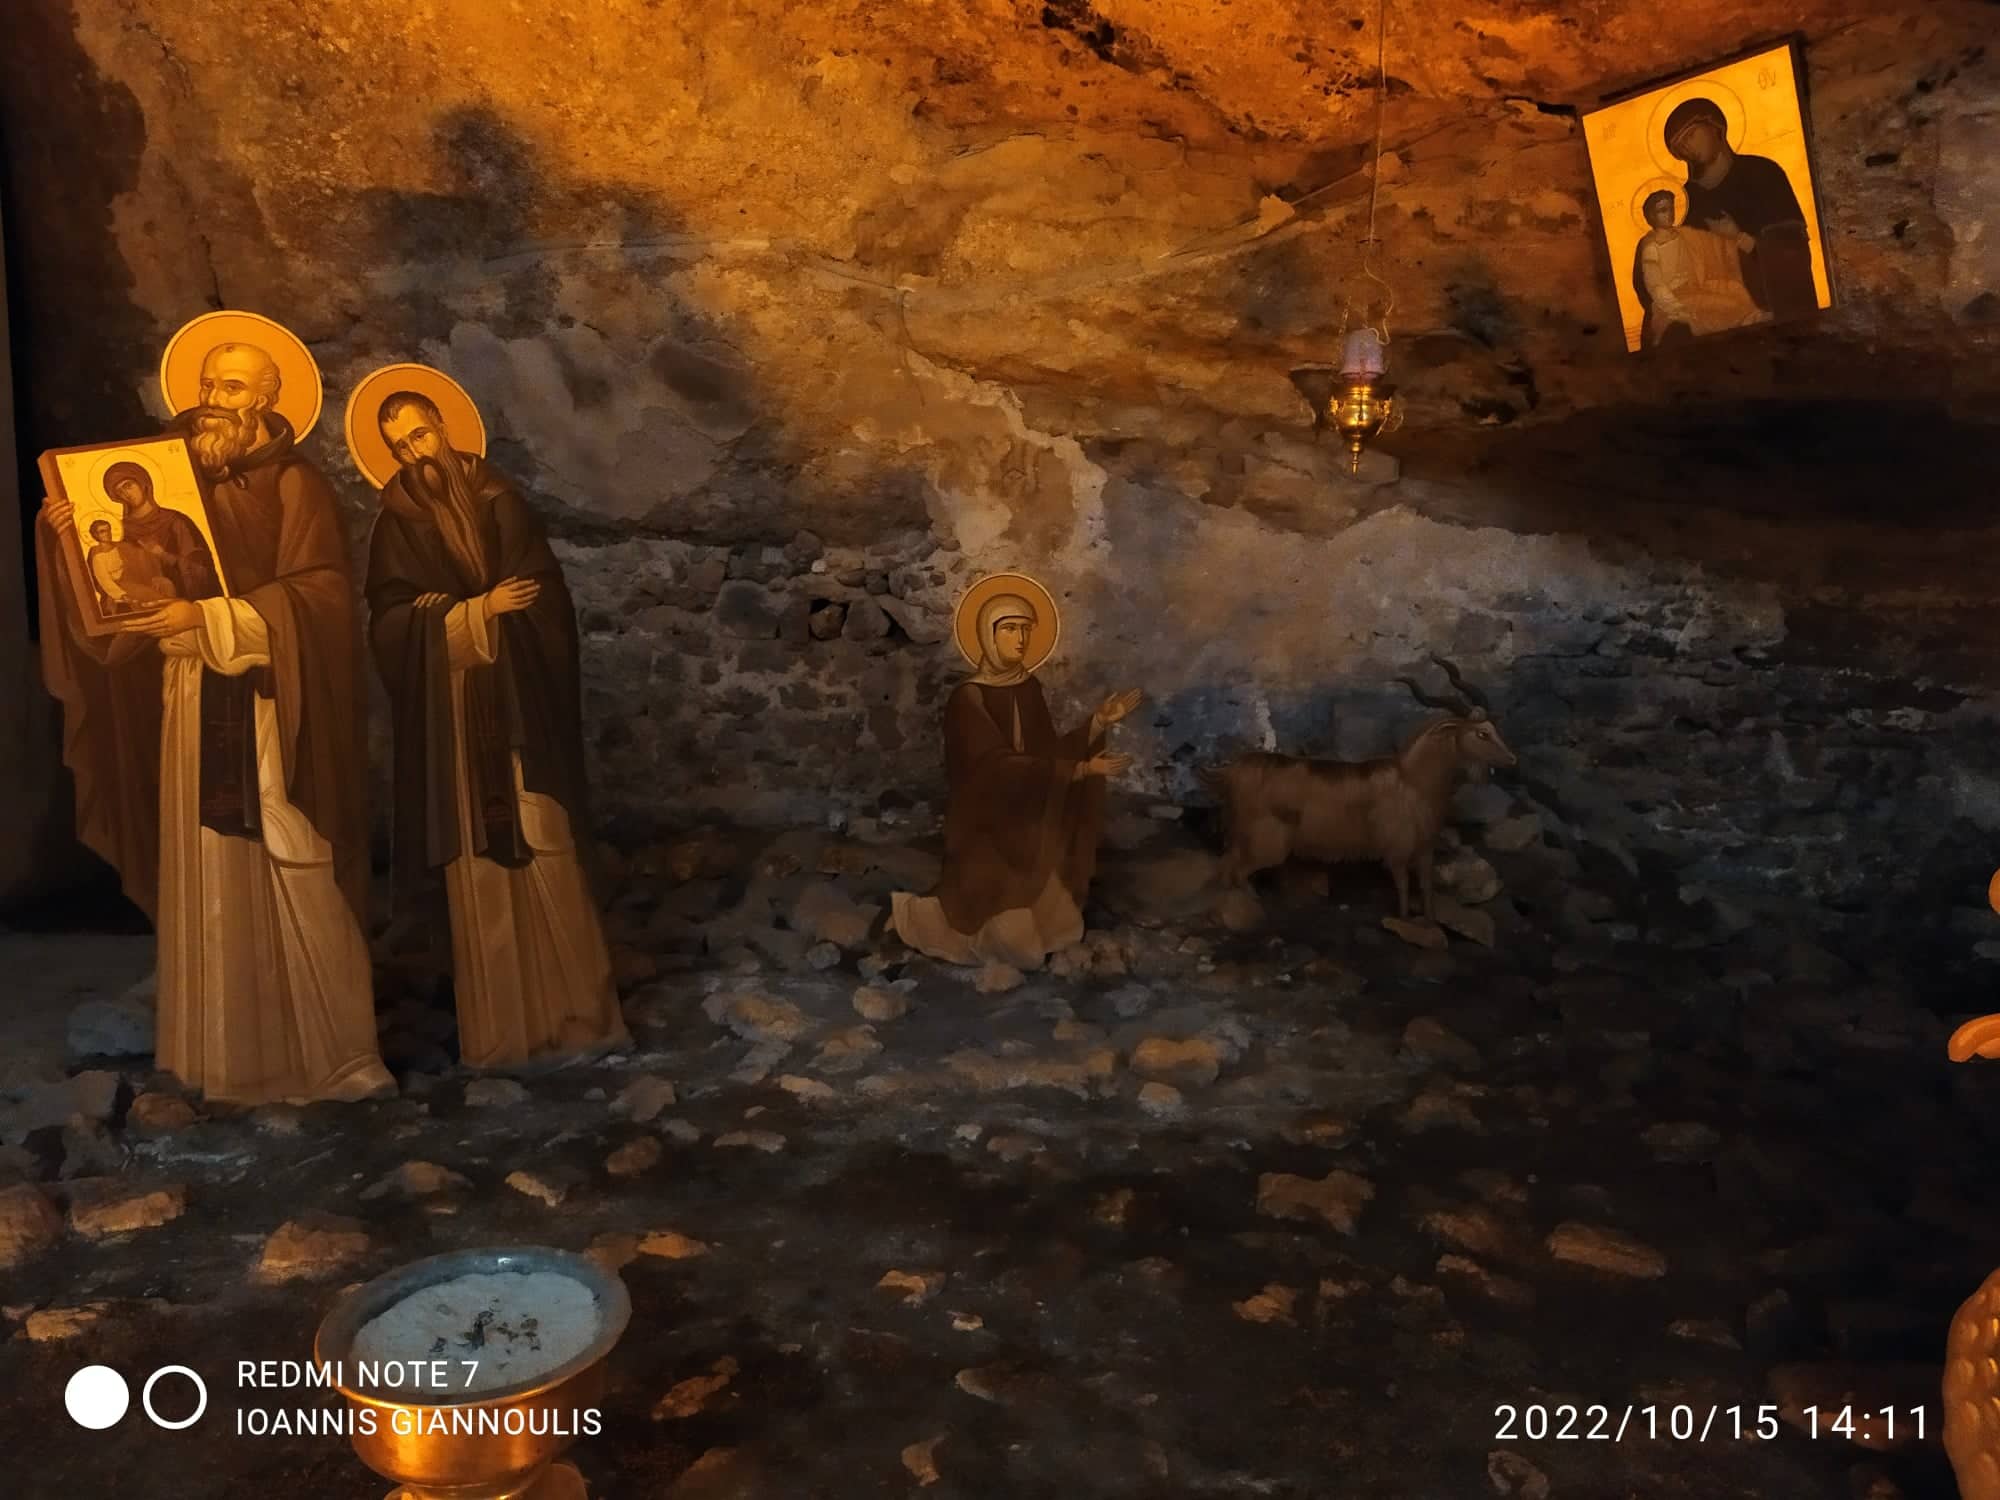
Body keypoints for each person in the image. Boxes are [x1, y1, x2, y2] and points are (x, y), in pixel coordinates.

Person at [38, 335, 393, 1105]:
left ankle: (328, 1050)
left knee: (287, 848)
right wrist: (65, 536)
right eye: (205, 385)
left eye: (231, 388)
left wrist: (209, 616)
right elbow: (118, 603)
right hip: (189, 695)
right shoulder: (169, 481)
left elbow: (323, 597)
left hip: (263, 695)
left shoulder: (296, 486)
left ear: (265, 399)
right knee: (207, 861)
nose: (212, 401)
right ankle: (220, 1053)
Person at [364, 389, 629, 1069]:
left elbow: (543, 601)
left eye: (419, 436)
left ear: (443, 427)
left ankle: (580, 1015)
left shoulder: (500, 502)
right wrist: (468, 614)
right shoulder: (395, 524)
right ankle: (501, 1033)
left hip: (516, 714)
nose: (414, 454)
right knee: (476, 866)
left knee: (545, 842)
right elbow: (387, 621)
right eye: (399, 446)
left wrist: (479, 615)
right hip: (454, 721)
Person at [890, 585, 1142, 970]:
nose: (1021, 639)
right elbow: (994, 766)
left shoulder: (1028, 687)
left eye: (1026, 629)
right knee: (1006, 932)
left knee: (1058, 912)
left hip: (1028, 814)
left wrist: (1097, 723)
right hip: (985, 825)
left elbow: (1047, 754)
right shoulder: (968, 698)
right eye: (1010, 629)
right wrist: (1080, 770)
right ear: (988, 636)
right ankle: (937, 919)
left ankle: (1032, 913)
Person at [1663, 96, 1818, 323]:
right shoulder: (1686, 200)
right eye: (1679, 147)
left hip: (1776, 311)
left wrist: (1740, 239)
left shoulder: (1762, 172)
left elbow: (1792, 250)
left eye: (1690, 135)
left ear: (1715, 126)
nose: (1687, 147)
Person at [1630, 189, 1767, 347]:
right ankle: (1749, 320)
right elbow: (1655, 285)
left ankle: (1754, 318)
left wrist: (1730, 236)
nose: (1670, 214)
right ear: (1651, 216)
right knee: (1720, 308)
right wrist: (1675, 307)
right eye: (1663, 210)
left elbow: (1707, 245)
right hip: (1674, 297)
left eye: (1672, 208)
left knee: (1733, 293)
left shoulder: (1683, 234)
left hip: (1696, 287)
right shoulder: (1650, 247)